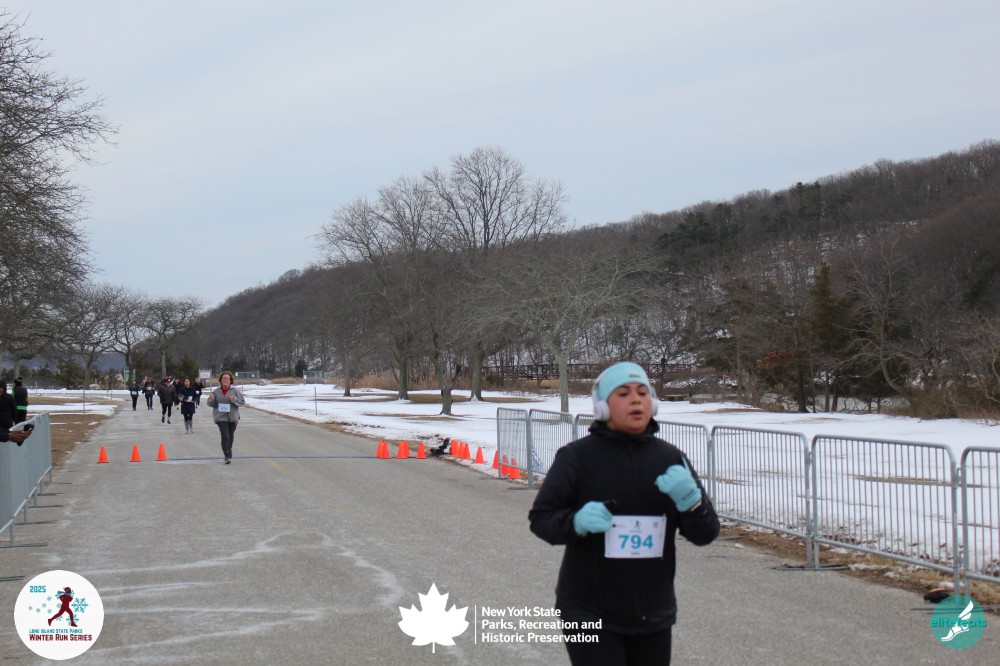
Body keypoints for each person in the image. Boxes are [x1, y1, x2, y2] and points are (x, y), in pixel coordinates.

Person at [528, 362, 719, 666]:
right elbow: (541, 519)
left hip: (652, 614)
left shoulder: (671, 459)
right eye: (623, 393)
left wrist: (693, 503)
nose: (635, 400)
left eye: (643, 392)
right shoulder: (576, 457)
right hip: (588, 611)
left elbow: (705, 534)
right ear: (602, 407)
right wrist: (575, 522)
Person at [207, 371, 245, 464]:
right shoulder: (216, 391)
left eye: (227, 378)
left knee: (230, 437)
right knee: (225, 436)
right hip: (220, 417)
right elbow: (211, 404)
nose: (225, 380)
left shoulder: (235, 391)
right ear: (221, 380)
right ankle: (227, 456)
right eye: (223, 378)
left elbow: (242, 402)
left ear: (230, 380)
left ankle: (228, 450)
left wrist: (234, 399)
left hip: (233, 417)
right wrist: (211, 399)